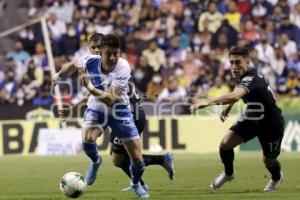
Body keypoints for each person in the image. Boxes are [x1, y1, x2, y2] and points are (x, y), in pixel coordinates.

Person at [53, 33, 175, 194]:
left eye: (114, 53)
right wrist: (58, 76)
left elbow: (109, 98)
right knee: (102, 148)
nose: (106, 55)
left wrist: (89, 87)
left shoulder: (122, 67)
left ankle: (140, 181)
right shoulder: (89, 61)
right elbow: (73, 66)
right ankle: (98, 162)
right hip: (100, 109)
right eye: (94, 48)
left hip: (127, 112)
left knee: (129, 158)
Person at [191, 47, 285, 192]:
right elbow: (238, 89)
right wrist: (228, 107)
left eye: (238, 62)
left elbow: (235, 95)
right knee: (225, 144)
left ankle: (277, 177)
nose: (234, 67)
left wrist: (207, 102)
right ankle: (229, 174)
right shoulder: (244, 74)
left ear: (247, 62)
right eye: (231, 63)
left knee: (268, 160)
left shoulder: (254, 77)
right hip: (253, 117)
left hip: (272, 124)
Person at [110, 77, 175, 192]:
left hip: (130, 118)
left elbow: (111, 100)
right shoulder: (118, 71)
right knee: (118, 158)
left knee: (121, 159)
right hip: (127, 116)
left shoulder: (114, 74)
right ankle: (140, 184)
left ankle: (161, 160)